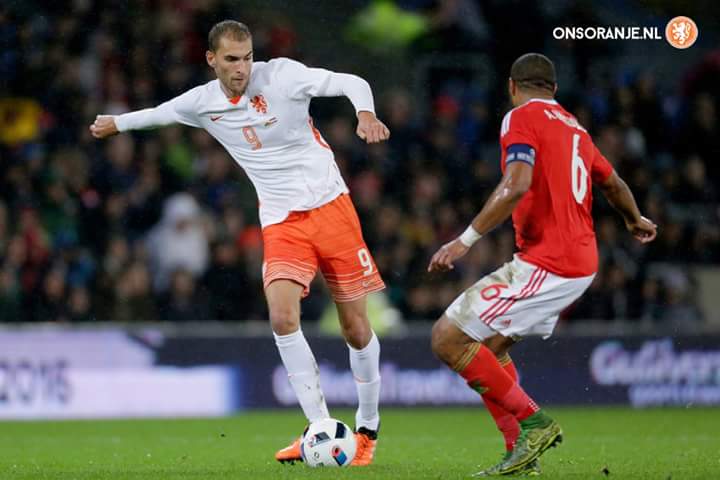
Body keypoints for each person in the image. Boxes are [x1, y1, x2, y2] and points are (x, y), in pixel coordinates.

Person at [90, 20, 389, 466]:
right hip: (282, 223)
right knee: (283, 316)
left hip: (332, 208)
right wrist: (117, 123)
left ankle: (367, 430)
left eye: (247, 58)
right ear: (211, 59)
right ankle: (320, 430)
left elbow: (352, 81)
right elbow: (162, 112)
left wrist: (365, 112)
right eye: (231, 59)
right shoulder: (203, 102)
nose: (242, 68)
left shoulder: (283, 76)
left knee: (356, 329)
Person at [427, 53, 657, 476]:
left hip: (550, 262)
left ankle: (535, 423)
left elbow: (517, 183)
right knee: (488, 350)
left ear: (512, 86)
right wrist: (634, 218)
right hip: (578, 260)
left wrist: (465, 240)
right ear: (553, 88)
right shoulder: (576, 128)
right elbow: (613, 182)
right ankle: (521, 453)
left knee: (446, 338)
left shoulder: (520, 118)